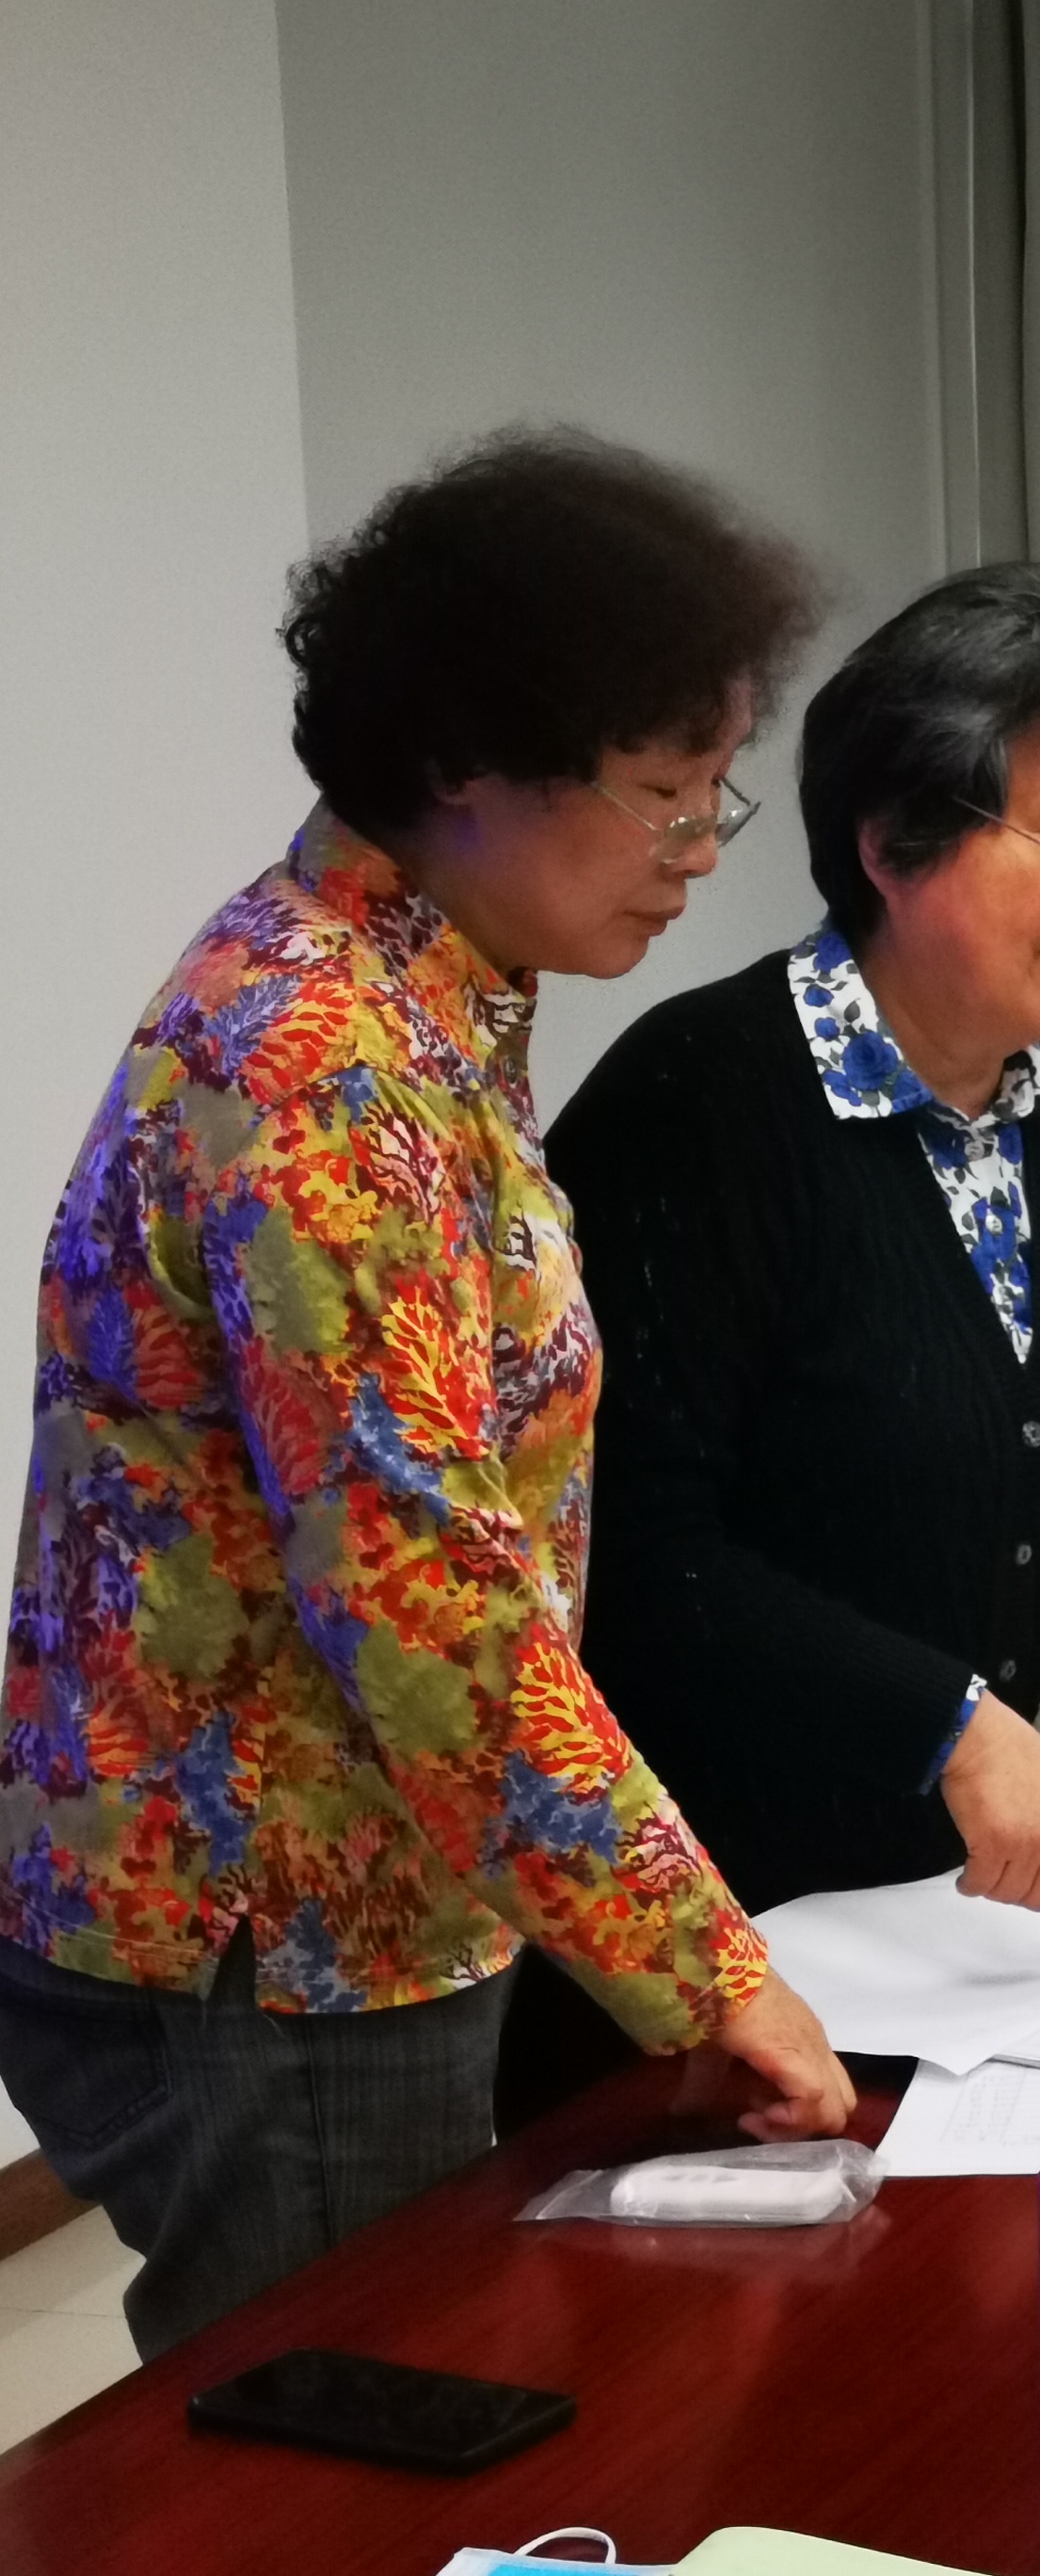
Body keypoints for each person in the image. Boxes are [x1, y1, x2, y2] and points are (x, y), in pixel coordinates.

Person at [0, 430, 856, 2359]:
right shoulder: (328, 1065)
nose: (702, 849)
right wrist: (707, 1969)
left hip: (340, 1883)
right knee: (343, 2434)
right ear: (471, 763)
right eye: (662, 794)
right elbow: (426, 1599)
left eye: (716, 791)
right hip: (281, 1919)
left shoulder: (417, 995)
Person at [546, 565, 1040, 1943]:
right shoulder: (700, 1101)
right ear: (894, 840)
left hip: (952, 1919)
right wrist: (952, 1724)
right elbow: (638, 1555)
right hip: (717, 1923)